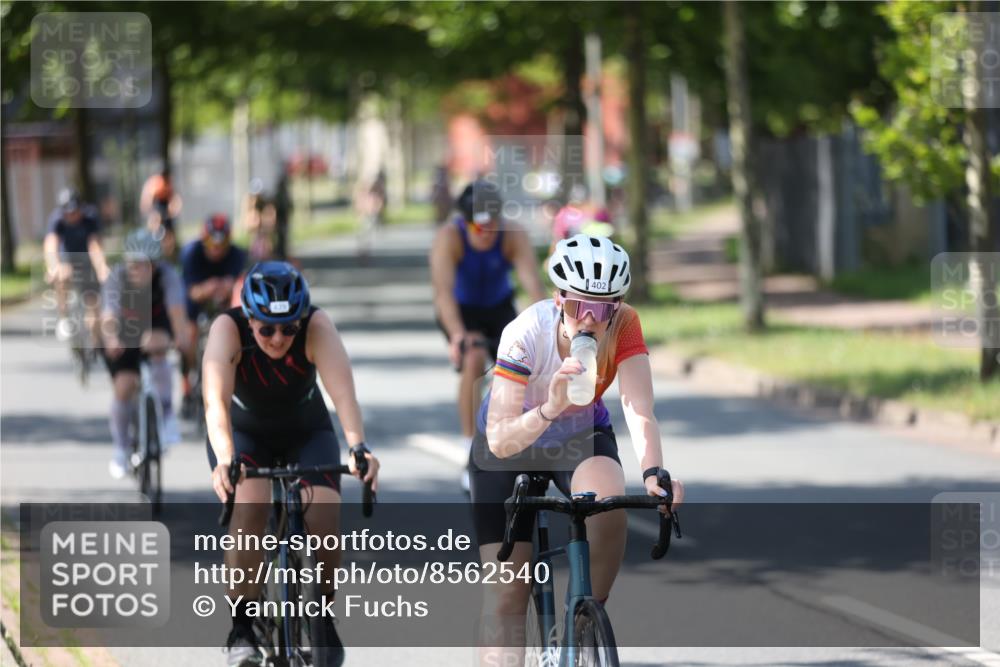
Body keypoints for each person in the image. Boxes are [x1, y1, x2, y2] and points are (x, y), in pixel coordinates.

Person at [470, 233, 685, 664]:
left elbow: (638, 407)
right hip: (511, 443)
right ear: (558, 299)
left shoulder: (624, 324)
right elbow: (500, 438)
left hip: (580, 435)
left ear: (616, 308)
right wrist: (549, 408)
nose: (588, 319)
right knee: (508, 594)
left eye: (601, 309)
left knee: (609, 507)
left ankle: (582, 621)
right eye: (576, 306)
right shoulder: (524, 333)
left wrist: (653, 473)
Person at [202, 261, 379, 667]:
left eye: (288, 328)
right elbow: (215, 403)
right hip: (243, 433)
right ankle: (242, 627)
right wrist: (226, 459)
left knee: (324, 514)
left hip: (306, 430)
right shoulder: (227, 329)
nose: (278, 338)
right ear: (249, 318)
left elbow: (343, 395)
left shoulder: (317, 326)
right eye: (266, 329)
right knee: (250, 505)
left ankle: (322, 614)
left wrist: (358, 447)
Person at [429, 179, 546, 493]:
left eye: (492, 226)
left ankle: (521, 440)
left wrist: (547, 330)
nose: (486, 233)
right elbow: (443, 294)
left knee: (524, 363)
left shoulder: (513, 235)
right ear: (466, 223)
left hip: (498, 307)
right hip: (461, 310)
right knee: (474, 358)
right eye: (479, 227)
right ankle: (470, 448)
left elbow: (533, 287)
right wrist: (457, 335)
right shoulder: (449, 238)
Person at [100, 230, 189, 478]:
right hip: (124, 330)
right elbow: (108, 316)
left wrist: (181, 336)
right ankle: (121, 448)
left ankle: (167, 414)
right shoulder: (117, 277)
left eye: (143, 264)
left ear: (154, 264)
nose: (137, 270)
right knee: (124, 386)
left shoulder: (167, 276)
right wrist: (112, 338)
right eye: (133, 264)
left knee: (157, 346)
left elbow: (177, 311)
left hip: (155, 324)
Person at [179, 214, 248, 416]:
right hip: (196, 299)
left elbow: (239, 285)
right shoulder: (191, 253)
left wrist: (227, 288)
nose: (216, 249)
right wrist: (207, 288)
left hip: (224, 300)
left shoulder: (237, 254)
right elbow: (191, 291)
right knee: (188, 336)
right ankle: (186, 385)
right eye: (212, 244)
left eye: (221, 244)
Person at [43, 188, 110, 343]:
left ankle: (95, 344)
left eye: (74, 211)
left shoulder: (91, 217)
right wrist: (53, 266)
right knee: (62, 275)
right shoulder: (56, 219)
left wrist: (102, 268)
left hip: (87, 262)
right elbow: (51, 244)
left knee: (94, 311)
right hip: (67, 259)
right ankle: (64, 316)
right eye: (67, 212)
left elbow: (94, 245)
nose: (71, 215)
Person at [241, 178, 276, 262]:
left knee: (265, 248)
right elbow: (247, 222)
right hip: (254, 231)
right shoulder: (249, 202)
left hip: (264, 231)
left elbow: (271, 218)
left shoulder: (266, 204)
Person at [272, 163, 294, 260]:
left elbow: (289, 206)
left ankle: (282, 253)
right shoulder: (279, 195)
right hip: (280, 219)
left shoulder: (284, 194)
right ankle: (280, 253)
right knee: (280, 237)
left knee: (283, 238)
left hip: (284, 219)